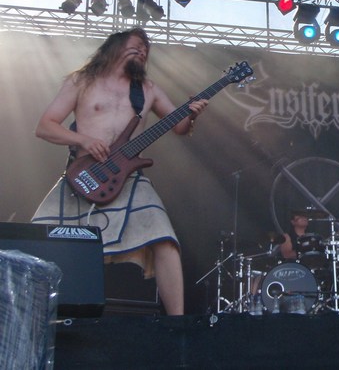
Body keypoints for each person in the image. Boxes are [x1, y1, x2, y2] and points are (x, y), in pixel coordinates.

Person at [31, 28, 208, 315]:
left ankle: (177, 324)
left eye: (146, 50)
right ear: (114, 47)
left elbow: (179, 125)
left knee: (165, 240)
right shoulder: (81, 81)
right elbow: (45, 126)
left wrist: (192, 116)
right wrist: (83, 140)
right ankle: (33, 318)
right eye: (136, 46)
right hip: (83, 177)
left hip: (127, 179)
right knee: (37, 244)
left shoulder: (148, 89)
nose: (142, 51)